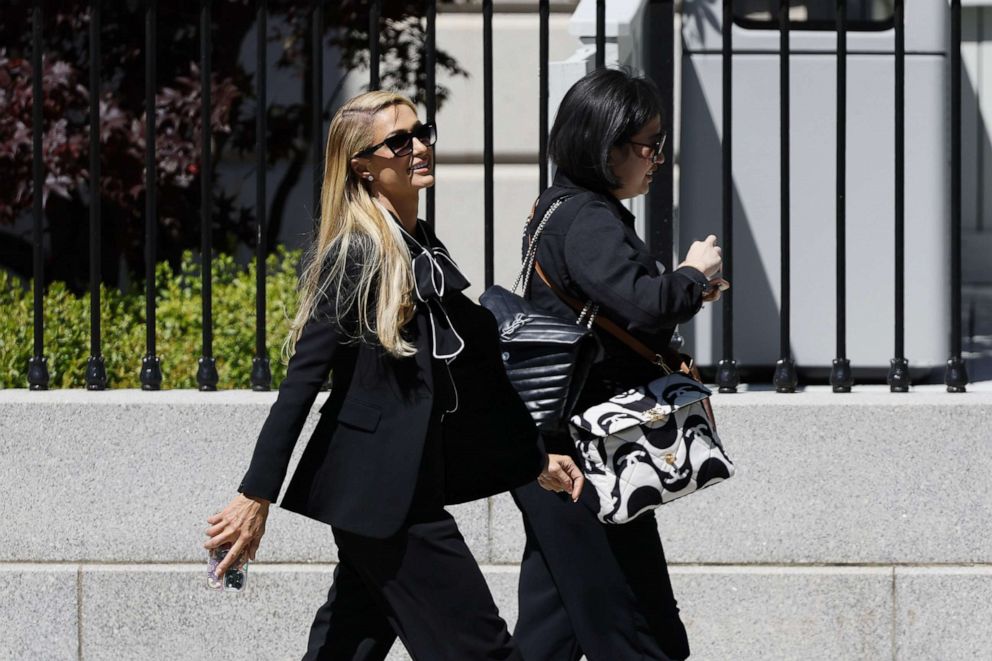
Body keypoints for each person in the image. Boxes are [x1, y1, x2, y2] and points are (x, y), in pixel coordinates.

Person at [202, 90, 583, 661]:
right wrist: (255, 497)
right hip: (388, 500)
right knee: (483, 651)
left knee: (346, 648)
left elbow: (475, 374)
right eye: (399, 141)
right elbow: (301, 384)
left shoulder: (422, 248)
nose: (419, 147)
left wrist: (534, 457)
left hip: (397, 491)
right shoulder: (355, 255)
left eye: (422, 132)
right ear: (363, 165)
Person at [510, 68, 725, 661]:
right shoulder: (588, 218)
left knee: (553, 628)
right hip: (588, 453)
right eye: (649, 146)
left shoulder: (557, 208)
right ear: (607, 147)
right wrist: (691, 273)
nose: (656, 159)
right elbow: (645, 303)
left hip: (563, 446)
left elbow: (607, 306)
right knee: (635, 628)